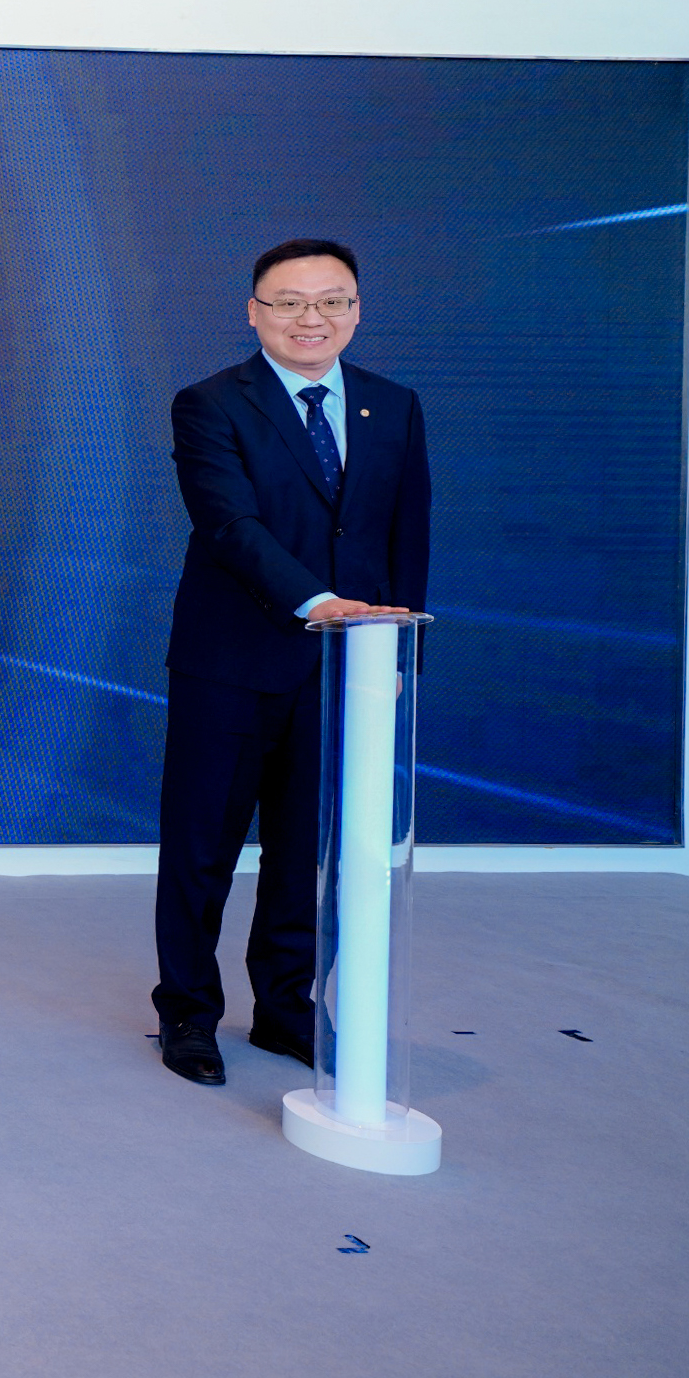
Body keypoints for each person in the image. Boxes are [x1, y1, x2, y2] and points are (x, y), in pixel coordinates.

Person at [154, 239, 430, 1087]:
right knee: (201, 845)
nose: (310, 317)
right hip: (231, 659)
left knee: (310, 849)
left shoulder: (393, 404)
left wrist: (398, 657)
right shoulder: (209, 404)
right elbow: (228, 525)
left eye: (330, 300)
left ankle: (284, 1008)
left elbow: (404, 534)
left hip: (350, 667)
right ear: (253, 310)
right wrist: (319, 603)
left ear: (355, 309)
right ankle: (189, 1015)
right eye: (288, 301)